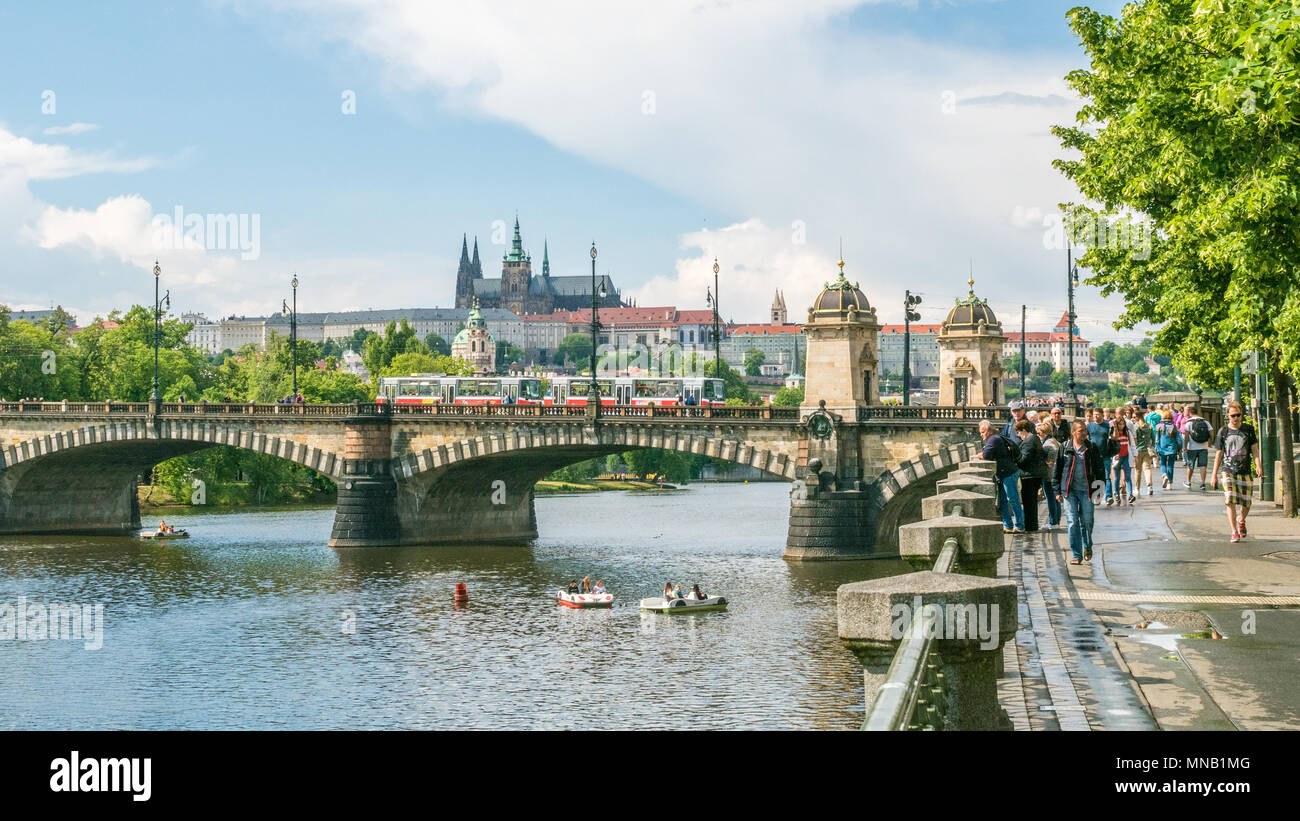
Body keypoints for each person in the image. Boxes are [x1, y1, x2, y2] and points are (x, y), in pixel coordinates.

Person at [1210, 401, 1262, 543]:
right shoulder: (1223, 431)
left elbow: (1255, 450)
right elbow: (1219, 454)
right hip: (1228, 471)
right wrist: (1214, 475)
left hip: (1244, 471)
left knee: (1246, 503)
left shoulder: (1248, 429)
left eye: (1238, 415)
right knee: (1230, 500)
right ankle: (1234, 531)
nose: (1236, 418)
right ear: (1228, 415)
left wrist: (1258, 465)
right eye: (1233, 415)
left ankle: (1241, 520)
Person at [1054, 419, 1104, 564]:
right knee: (1072, 523)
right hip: (1070, 492)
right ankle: (1076, 554)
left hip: (1088, 491)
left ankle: (1087, 546)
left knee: (1087, 522)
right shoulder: (1065, 447)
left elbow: (1099, 470)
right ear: (1073, 432)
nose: (1084, 433)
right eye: (1081, 430)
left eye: (1085, 430)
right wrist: (1057, 490)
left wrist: (1099, 491)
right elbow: (1057, 471)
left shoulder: (1092, 447)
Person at [980, 419, 1025, 534]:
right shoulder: (995, 438)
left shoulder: (993, 439)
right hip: (1003, 474)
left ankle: (1020, 525)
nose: (981, 435)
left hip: (1008, 473)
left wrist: (981, 454)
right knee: (1003, 501)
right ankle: (1008, 525)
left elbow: (986, 456)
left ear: (989, 431)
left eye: (983, 432)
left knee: (1012, 500)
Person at [1014, 419, 1049, 532]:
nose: (1019, 436)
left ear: (1024, 430)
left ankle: (1030, 526)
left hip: (1029, 475)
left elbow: (1024, 460)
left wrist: (1015, 457)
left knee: (1028, 502)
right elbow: (1043, 454)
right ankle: (1032, 525)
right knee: (1032, 501)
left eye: (1019, 433)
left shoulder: (1029, 441)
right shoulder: (1035, 439)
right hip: (1035, 474)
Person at [1037, 421, 1062, 528]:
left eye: (1039, 433)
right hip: (1054, 476)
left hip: (1049, 476)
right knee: (1055, 499)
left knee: (1051, 499)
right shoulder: (1054, 440)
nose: (1037, 435)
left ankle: (1053, 522)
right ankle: (1056, 520)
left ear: (1045, 433)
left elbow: (1053, 453)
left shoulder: (1048, 443)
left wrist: (1049, 461)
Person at [1182, 407, 1214, 489]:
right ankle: (1203, 483)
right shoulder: (1205, 421)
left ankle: (1188, 482)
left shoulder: (1189, 422)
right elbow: (1212, 433)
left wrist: (1185, 446)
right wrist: (1210, 443)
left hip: (1192, 447)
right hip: (1203, 447)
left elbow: (1186, 436)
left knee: (1190, 465)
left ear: (1190, 413)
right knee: (1203, 465)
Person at [1086, 408, 1113, 504]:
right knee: (1095, 476)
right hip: (1093, 456)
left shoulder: (1107, 425)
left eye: (1097, 414)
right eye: (1094, 415)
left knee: (1106, 476)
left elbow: (1112, 439)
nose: (1095, 416)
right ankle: (1097, 495)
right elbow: (1086, 439)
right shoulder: (1089, 426)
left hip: (1105, 455)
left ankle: (1109, 497)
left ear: (1102, 415)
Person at [1154, 409, 1183, 489]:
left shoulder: (1159, 426)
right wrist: (1180, 448)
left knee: (1162, 463)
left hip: (1162, 448)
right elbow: (1179, 439)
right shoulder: (1174, 427)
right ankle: (1170, 483)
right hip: (1172, 448)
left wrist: (1156, 447)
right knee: (1170, 465)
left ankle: (1164, 475)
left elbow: (1157, 439)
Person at [1109, 414, 1134, 506]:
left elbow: (1132, 445)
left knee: (1128, 476)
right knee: (1117, 477)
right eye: (1120, 424)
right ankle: (1116, 494)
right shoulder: (1113, 433)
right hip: (1117, 457)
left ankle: (1130, 494)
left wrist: (1135, 455)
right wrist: (1113, 456)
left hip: (1126, 456)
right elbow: (1111, 446)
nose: (1121, 426)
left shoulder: (1127, 432)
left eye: (1123, 424)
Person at [1132, 412, 1156, 496]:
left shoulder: (1135, 427)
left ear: (1137, 417)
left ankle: (1137, 489)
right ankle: (1150, 486)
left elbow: (1134, 439)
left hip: (1138, 450)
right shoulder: (1149, 426)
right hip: (1147, 450)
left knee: (1138, 470)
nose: (1133, 419)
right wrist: (1152, 446)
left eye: (1134, 417)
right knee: (1147, 469)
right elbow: (1153, 438)